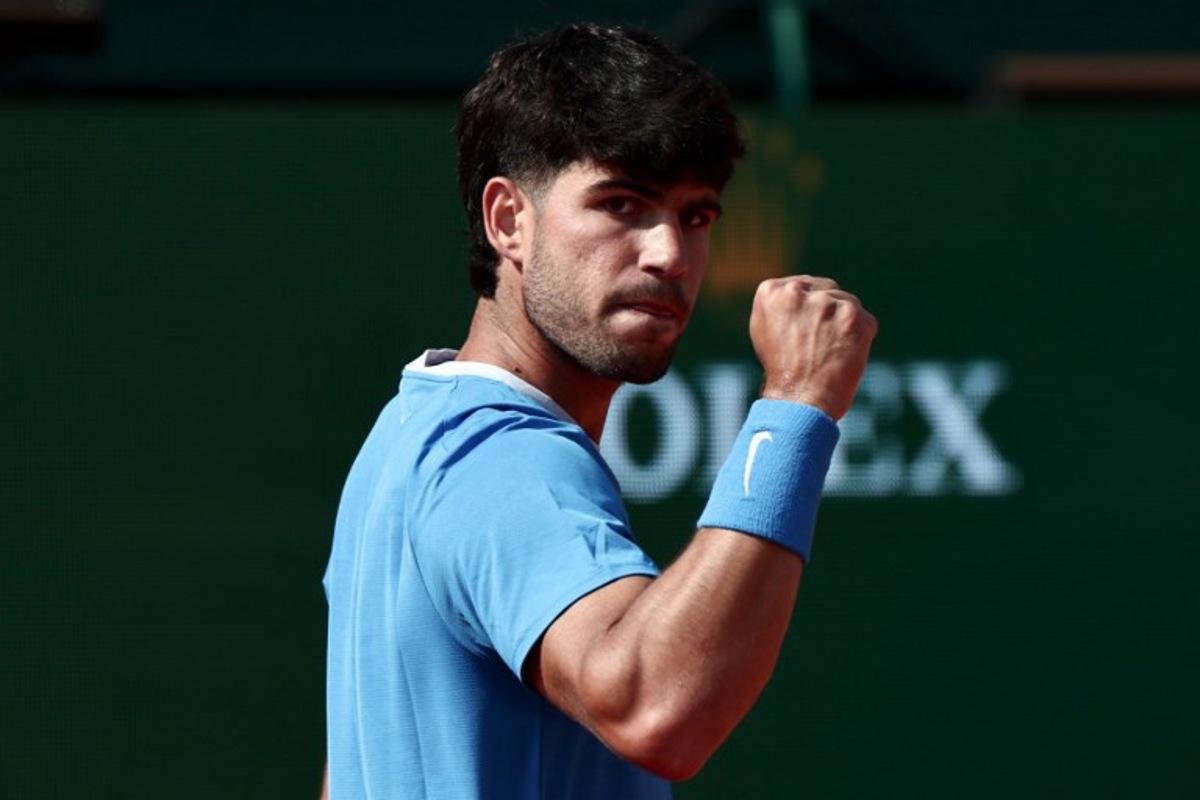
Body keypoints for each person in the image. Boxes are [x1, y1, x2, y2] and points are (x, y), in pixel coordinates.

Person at [322, 22, 877, 800]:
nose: (669, 255)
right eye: (622, 204)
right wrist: (798, 402)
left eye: (695, 215)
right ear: (508, 220)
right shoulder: (501, 459)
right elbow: (657, 708)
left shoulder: (413, 428)